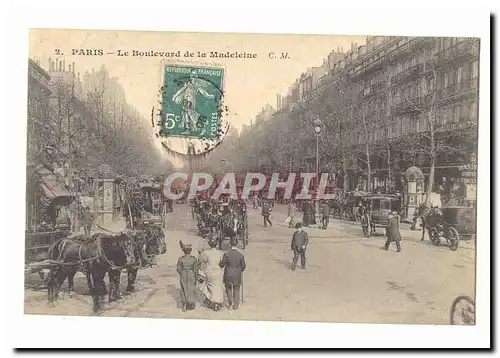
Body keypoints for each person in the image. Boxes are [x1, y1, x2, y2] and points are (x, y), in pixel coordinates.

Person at [219, 238, 246, 310]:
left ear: (230, 245)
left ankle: (231, 302)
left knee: (228, 288)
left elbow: (222, 265)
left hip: (228, 274)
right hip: (237, 274)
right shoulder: (240, 255)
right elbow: (243, 266)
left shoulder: (226, 254)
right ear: (237, 244)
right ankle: (236, 305)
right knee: (236, 289)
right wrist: (239, 270)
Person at [198, 239, 224, 311]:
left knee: (206, 285)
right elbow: (222, 262)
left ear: (209, 245)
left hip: (209, 272)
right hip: (218, 271)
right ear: (217, 245)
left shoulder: (206, 253)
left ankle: (209, 299)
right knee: (218, 287)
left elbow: (200, 259)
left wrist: (201, 253)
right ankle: (217, 302)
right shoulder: (220, 253)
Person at [176, 243, 198, 311]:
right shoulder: (193, 259)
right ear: (190, 251)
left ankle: (184, 303)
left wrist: (182, 273)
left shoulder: (181, 259)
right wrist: (196, 276)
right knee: (191, 288)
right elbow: (195, 269)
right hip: (191, 273)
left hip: (183, 273)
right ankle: (190, 303)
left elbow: (178, 269)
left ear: (184, 251)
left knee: (183, 288)